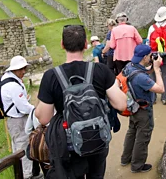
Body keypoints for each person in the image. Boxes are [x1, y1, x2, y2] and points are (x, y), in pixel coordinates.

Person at [35, 25, 127, 179]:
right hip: (97, 137)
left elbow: (44, 118)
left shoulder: (51, 76)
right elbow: (121, 105)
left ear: (62, 45)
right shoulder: (100, 70)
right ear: (85, 44)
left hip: (69, 142)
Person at [120, 44, 165, 173]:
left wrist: (151, 67)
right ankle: (137, 165)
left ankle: (125, 158)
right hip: (143, 110)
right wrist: (157, 70)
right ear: (145, 57)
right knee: (143, 136)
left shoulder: (129, 66)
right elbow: (161, 89)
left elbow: (142, 72)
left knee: (132, 131)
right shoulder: (141, 78)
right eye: (150, 55)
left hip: (132, 106)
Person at [1, 55, 35, 179]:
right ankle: (27, 175)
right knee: (23, 147)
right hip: (18, 120)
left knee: (17, 146)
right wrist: (36, 109)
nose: (23, 72)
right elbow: (23, 108)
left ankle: (19, 172)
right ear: (14, 70)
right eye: (21, 69)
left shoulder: (8, 79)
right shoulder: (13, 85)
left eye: (24, 68)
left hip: (13, 119)